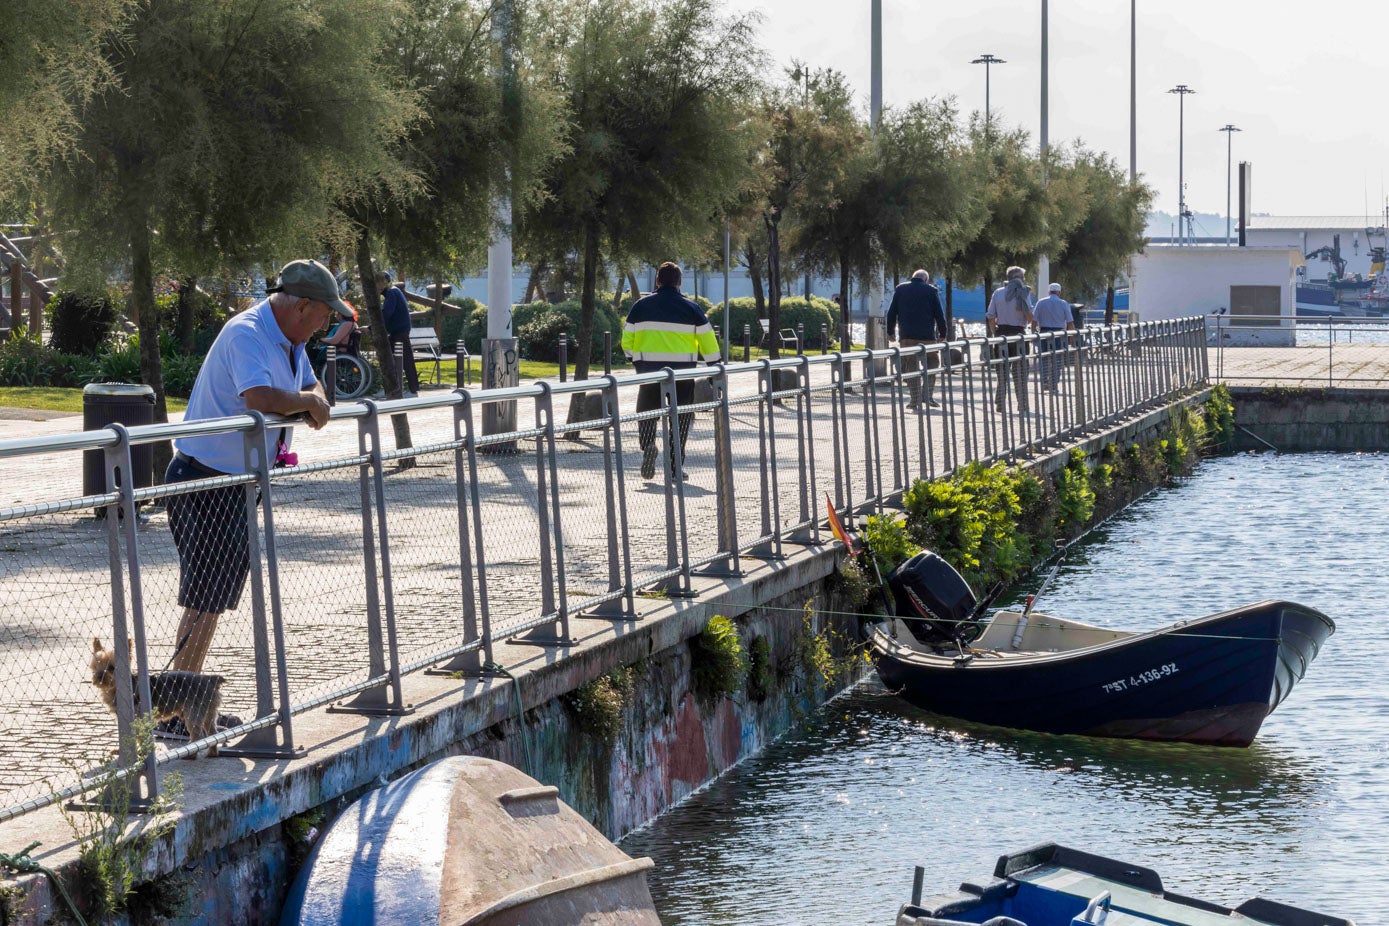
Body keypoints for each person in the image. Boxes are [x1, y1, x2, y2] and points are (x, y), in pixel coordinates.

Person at [161, 259, 344, 736]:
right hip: (203, 478)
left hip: (236, 483)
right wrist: (308, 404)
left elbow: (309, 382)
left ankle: (185, 707)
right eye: (325, 314)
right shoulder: (248, 333)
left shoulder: (289, 339)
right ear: (302, 306)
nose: (327, 324)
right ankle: (174, 711)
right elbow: (259, 397)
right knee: (203, 596)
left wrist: (313, 397)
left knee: (214, 598)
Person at [621, 262, 721, 480]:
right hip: (682, 375)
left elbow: (626, 340)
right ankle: (675, 468)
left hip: (649, 373)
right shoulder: (691, 308)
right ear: (679, 282)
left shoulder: (640, 306)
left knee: (646, 414)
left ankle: (648, 445)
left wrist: (636, 361)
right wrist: (715, 371)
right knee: (681, 419)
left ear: (657, 280)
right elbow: (708, 342)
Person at [886, 269, 949, 409]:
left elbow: (891, 313)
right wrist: (943, 334)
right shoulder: (931, 291)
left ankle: (914, 399)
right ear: (926, 279)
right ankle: (927, 395)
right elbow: (939, 314)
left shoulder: (901, 290)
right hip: (927, 337)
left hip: (906, 336)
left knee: (911, 367)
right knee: (932, 364)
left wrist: (890, 332)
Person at [985, 266, 1036, 412]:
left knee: (1002, 370)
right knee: (1020, 372)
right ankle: (1022, 404)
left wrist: (996, 332)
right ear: (1017, 278)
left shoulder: (998, 293)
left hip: (1002, 334)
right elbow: (1029, 316)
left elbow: (990, 316)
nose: (1024, 280)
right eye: (1022, 277)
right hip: (1019, 334)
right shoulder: (1023, 293)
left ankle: (1000, 402)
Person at [378, 270, 418, 397]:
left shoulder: (391, 293)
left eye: (376, 283)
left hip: (399, 332)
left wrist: (371, 327)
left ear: (382, 283)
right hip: (397, 331)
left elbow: (387, 314)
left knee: (406, 360)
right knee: (388, 359)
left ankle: (412, 391)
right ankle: (390, 389)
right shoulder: (392, 292)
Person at [1033, 282, 1076, 392]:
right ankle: (1053, 384)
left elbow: (1034, 320)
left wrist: (1034, 334)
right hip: (1059, 334)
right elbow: (1070, 322)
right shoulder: (1063, 303)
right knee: (1057, 359)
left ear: (1049, 291)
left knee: (1044, 358)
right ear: (1059, 292)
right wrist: (1072, 337)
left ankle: (1045, 381)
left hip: (1044, 333)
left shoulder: (1041, 302)